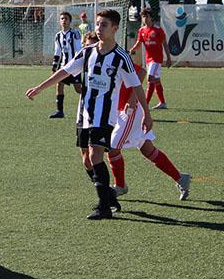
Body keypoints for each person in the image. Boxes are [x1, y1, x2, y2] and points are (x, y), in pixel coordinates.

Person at [26, 9, 151, 220]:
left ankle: (104, 207)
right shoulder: (87, 52)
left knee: (95, 156)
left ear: (115, 28)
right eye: (98, 24)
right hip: (84, 113)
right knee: (86, 160)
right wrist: (40, 87)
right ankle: (108, 195)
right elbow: (65, 71)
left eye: (104, 25)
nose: (99, 28)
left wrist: (146, 114)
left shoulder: (122, 57)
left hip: (105, 116)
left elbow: (137, 86)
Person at [79, 32, 191, 201]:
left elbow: (142, 71)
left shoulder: (115, 56)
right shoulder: (90, 60)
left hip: (129, 110)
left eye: (93, 44)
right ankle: (180, 178)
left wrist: (132, 98)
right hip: (114, 112)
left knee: (113, 147)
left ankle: (120, 186)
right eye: (88, 45)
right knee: (146, 148)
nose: (92, 47)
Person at [130, 9, 172, 109]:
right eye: (143, 16)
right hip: (148, 60)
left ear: (151, 17)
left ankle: (145, 104)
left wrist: (168, 58)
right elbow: (138, 43)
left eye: (146, 16)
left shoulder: (158, 30)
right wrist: (132, 49)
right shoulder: (142, 30)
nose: (145, 18)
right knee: (156, 80)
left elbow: (165, 44)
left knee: (150, 78)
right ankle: (162, 103)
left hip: (156, 60)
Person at [49, 12, 82, 119]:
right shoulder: (58, 35)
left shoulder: (75, 34)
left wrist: (77, 64)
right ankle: (59, 111)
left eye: (66, 19)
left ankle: (89, 106)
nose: (64, 20)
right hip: (63, 66)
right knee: (59, 85)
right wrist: (54, 66)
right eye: (62, 18)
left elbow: (78, 49)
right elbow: (57, 51)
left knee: (78, 89)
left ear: (70, 21)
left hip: (74, 66)